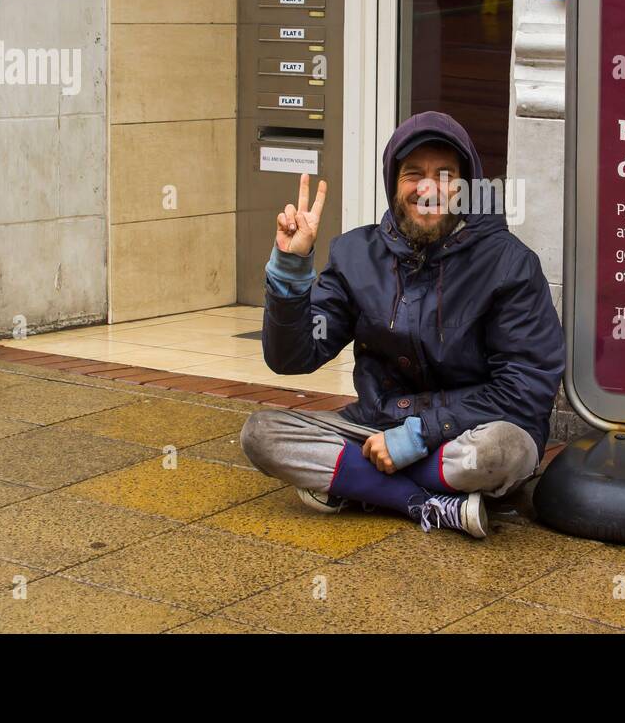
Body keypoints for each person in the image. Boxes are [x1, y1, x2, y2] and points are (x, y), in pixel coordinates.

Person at [240, 111, 565, 539]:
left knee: (505, 450)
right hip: (375, 426)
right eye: (413, 174)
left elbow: (526, 391)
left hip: (469, 435)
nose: (427, 188)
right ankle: (426, 503)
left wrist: (420, 434)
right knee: (262, 434)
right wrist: (290, 268)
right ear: (394, 184)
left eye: (444, 175)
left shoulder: (509, 264)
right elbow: (292, 357)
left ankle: (358, 483)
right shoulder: (356, 253)